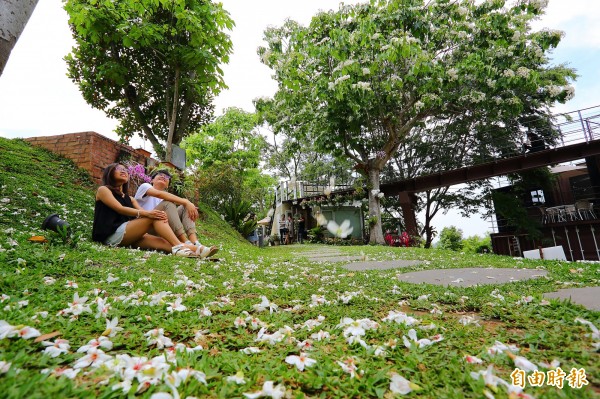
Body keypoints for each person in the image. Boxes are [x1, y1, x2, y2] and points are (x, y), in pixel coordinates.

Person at [92, 163, 205, 257]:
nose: (123, 171)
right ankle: (181, 244)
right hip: (111, 234)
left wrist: (151, 214)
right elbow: (119, 208)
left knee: (163, 243)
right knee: (157, 215)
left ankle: (197, 249)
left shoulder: (129, 198)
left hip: (130, 234)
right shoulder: (103, 190)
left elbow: (141, 212)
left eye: (125, 170)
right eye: (118, 169)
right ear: (109, 173)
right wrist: (150, 214)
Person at [134, 169, 218, 258]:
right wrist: (186, 201)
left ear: (167, 185)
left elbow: (165, 197)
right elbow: (159, 194)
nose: (163, 176)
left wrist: (188, 205)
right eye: (160, 174)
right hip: (145, 228)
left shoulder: (166, 196)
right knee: (170, 203)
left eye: (166, 177)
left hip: (162, 228)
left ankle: (195, 242)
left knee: (185, 207)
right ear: (152, 180)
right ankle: (185, 242)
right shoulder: (145, 187)